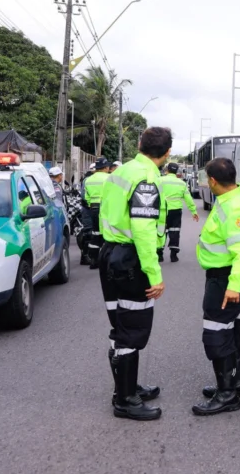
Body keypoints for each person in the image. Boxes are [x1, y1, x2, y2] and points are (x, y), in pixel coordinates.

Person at [97, 127, 173, 421]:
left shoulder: (122, 170)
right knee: (132, 330)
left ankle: (127, 387)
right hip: (130, 259)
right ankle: (125, 400)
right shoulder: (146, 178)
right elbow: (142, 230)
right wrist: (154, 274)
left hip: (110, 252)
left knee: (121, 325)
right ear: (166, 154)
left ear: (140, 145)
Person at [193, 157, 240, 416]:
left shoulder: (235, 207)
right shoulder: (232, 197)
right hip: (224, 275)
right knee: (230, 328)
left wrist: (234, 285)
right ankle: (235, 383)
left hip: (227, 277)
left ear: (213, 181)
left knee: (216, 331)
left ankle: (227, 394)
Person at [157, 162, 199, 263]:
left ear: (166, 170)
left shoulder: (159, 180)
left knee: (160, 231)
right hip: (176, 211)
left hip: (162, 210)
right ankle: (173, 255)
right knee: (175, 231)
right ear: (176, 171)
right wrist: (194, 211)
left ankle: (159, 254)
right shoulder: (182, 183)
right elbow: (188, 199)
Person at [82, 158, 113, 268]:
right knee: (108, 233)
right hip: (106, 207)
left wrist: (92, 205)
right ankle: (107, 260)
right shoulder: (110, 178)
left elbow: (86, 197)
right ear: (105, 168)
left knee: (95, 233)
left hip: (94, 208)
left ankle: (94, 259)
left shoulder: (88, 180)